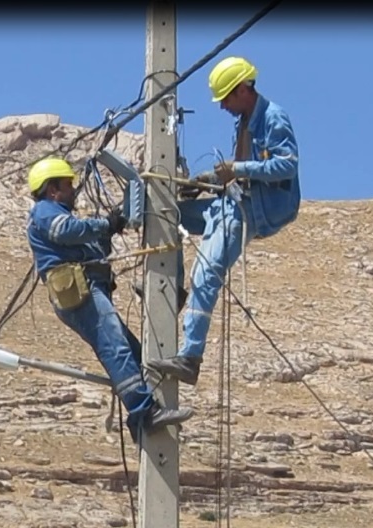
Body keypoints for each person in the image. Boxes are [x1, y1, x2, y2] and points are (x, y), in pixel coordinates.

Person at [146, 56, 302, 386]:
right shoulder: (244, 122)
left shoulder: (273, 118)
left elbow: (286, 166)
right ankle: (172, 293)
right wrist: (206, 182)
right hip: (229, 204)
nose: (223, 107)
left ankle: (190, 358)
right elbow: (238, 173)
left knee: (205, 274)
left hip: (248, 212)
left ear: (243, 89)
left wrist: (238, 170)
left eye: (226, 98)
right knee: (166, 213)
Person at [25, 156, 194, 438]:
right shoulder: (45, 211)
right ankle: (145, 411)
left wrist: (112, 225)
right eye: (67, 185)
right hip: (82, 291)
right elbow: (66, 232)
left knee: (136, 354)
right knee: (115, 347)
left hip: (89, 288)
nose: (73, 191)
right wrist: (105, 225)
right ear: (52, 190)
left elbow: (85, 244)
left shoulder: (56, 212)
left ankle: (142, 417)